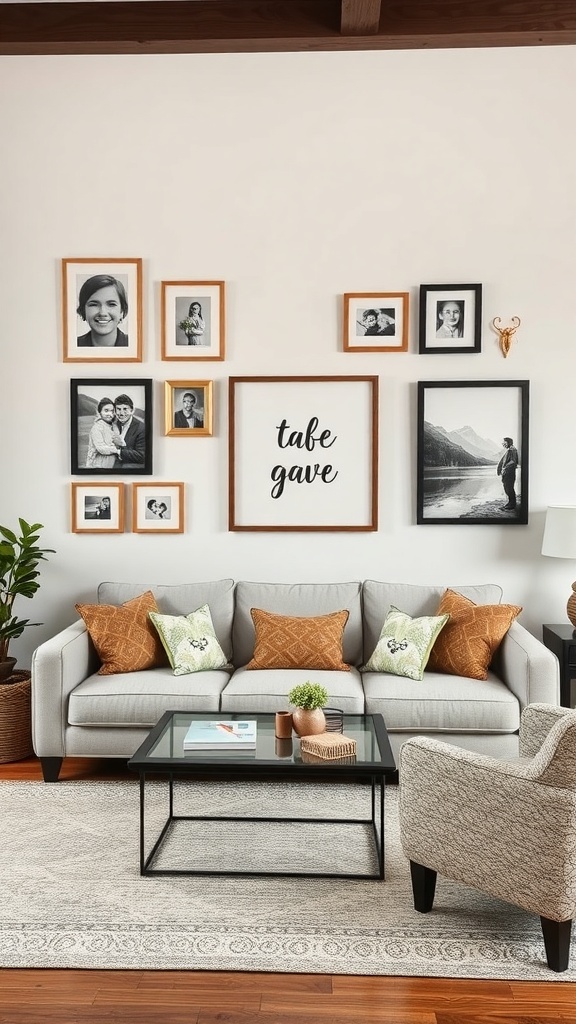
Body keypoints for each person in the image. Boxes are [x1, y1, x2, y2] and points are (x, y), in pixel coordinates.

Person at [77, 275, 129, 347]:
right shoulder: (73, 345)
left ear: (122, 311)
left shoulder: (134, 345)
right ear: (83, 310)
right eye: (94, 305)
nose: (102, 313)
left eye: (111, 304)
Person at [85, 397, 125, 468]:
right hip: (99, 464)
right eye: (106, 410)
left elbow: (119, 441)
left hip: (112, 463)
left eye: (112, 411)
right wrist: (117, 451)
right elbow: (101, 448)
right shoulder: (97, 428)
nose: (110, 414)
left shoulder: (114, 426)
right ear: (100, 412)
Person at [113, 394, 145, 468]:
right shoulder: (113, 424)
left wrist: (118, 451)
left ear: (132, 410)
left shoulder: (141, 428)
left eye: (125, 409)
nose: (121, 413)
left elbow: (141, 456)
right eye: (118, 409)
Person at [497, 436, 519, 511]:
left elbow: (513, 461)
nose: (503, 444)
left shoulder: (512, 450)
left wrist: (504, 467)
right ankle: (510, 503)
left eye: (505, 442)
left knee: (509, 488)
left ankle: (512, 504)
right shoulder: (510, 450)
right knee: (507, 488)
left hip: (510, 472)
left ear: (509, 443)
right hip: (507, 472)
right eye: (503, 443)